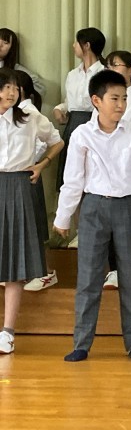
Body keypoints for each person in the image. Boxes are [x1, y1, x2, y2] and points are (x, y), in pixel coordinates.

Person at [53, 70, 131, 362]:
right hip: (93, 207)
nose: (121, 104)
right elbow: (73, 180)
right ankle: (81, 343)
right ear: (96, 100)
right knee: (88, 277)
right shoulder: (82, 134)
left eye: (124, 98)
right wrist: (63, 217)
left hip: (129, 206)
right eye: (114, 98)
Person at [0, 68, 63, 354]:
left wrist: (42, 165)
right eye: (6, 87)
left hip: (18, 185)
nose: (12, 92)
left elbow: (57, 141)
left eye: (15, 88)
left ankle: (8, 332)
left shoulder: (29, 117)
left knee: (14, 263)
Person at [92, 51, 131, 291]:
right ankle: (113, 271)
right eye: (109, 65)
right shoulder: (100, 100)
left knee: (129, 227)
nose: (112, 69)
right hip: (102, 173)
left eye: (116, 65)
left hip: (129, 171)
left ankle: (128, 272)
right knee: (106, 226)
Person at [53, 27, 106, 248]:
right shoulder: (72, 74)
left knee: (92, 180)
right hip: (73, 124)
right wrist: (60, 109)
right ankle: (79, 232)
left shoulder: (103, 73)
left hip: (95, 125)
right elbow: (70, 101)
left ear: (86, 45)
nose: (73, 46)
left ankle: (95, 232)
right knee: (73, 179)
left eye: (76, 43)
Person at [14, 70, 58, 291]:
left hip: (27, 175)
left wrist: (38, 163)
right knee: (17, 226)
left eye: (11, 87)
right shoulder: (9, 112)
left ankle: (46, 272)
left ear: (20, 90)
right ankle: (20, 272)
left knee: (35, 225)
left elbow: (49, 142)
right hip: (12, 177)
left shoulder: (29, 112)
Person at [0, 27, 46, 96]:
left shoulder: (15, 69)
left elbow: (40, 87)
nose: (0, 45)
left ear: (11, 49)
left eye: (5, 42)